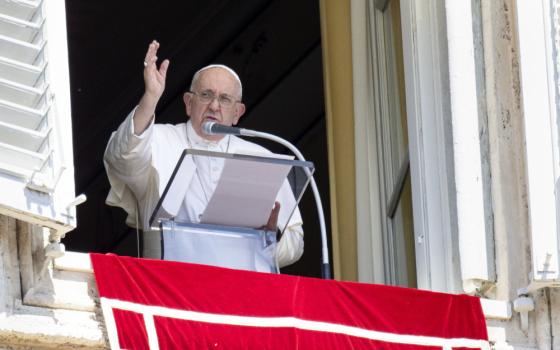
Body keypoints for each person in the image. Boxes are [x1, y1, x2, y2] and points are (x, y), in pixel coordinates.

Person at [103, 40, 304, 268]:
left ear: (237, 113)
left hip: (239, 292)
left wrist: (270, 235)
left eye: (225, 99)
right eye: (206, 95)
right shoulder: (160, 139)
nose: (214, 106)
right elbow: (121, 157)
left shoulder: (261, 157)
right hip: (170, 286)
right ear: (189, 103)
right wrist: (150, 97)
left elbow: (295, 244)